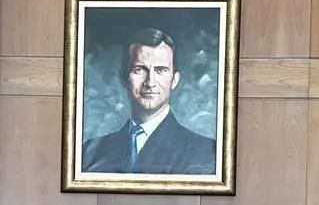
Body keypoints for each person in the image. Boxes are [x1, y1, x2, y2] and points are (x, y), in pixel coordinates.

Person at [81, 27, 217, 175]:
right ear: (124, 78)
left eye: (160, 70)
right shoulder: (89, 152)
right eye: (139, 70)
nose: (150, 82)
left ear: (174, 80)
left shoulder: (206, 153)